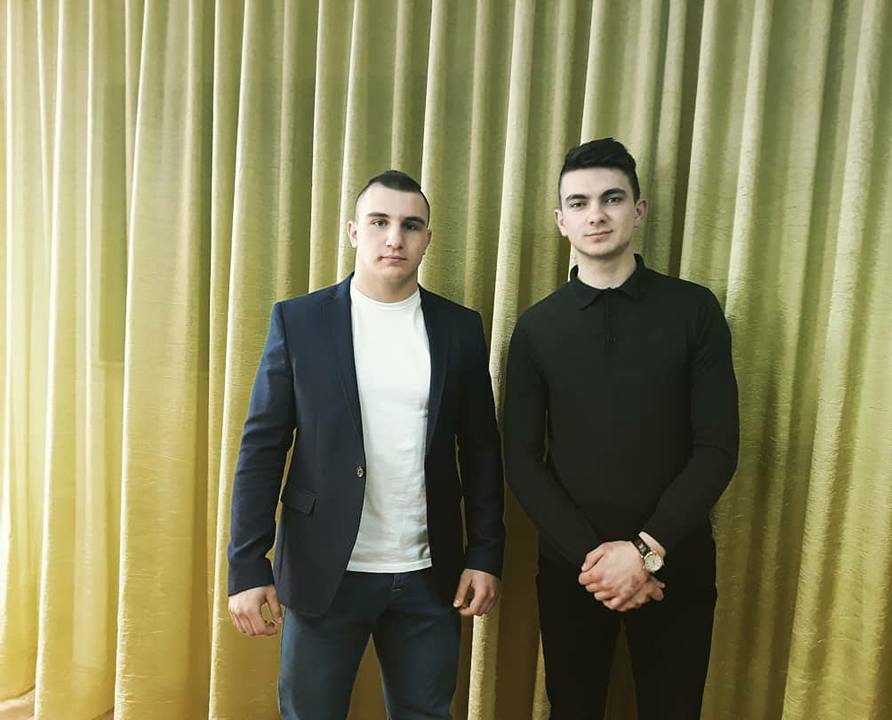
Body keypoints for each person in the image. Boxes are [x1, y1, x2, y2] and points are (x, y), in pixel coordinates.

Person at [227, 170, 505, 720]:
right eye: (379, 222)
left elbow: (481, 451)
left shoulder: (459, 329)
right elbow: (262, 449)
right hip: (323, 569)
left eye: (410, 226)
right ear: (355, 231)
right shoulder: (299, 321)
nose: (394, 238)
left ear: (427, 239)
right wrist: (247, 566)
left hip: (429, 575)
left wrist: (485, 554)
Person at [504, 138, 739, 719]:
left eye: (612, 198)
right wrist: (599, 563)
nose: (596, 215)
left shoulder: (694, 310)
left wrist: (643, 554)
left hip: (675, 561)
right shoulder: (536, 329)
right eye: (578, 203)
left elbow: (717, 447)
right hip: (574, 570)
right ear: (561, 221)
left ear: (639, 210)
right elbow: (522, 460)